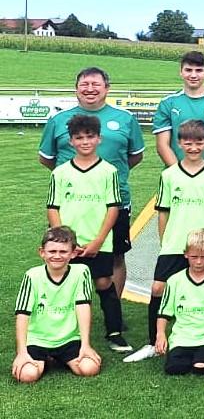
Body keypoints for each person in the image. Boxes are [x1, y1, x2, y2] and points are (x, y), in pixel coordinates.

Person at [39, 67, 144, 320]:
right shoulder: (58, 120)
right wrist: (78, 179)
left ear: (107, 88)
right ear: (76, 89)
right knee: (65, 254)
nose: (90, 89)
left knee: (115, 256)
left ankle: (113, 315)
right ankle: (65, 314)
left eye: (96, 84)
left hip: (115, 202)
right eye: (84, 84)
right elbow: (47, 158)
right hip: (71, 204)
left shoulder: (125, 119)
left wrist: (102, 179)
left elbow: (135, 156)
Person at [126, 120, 204, 363]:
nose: (193, 147)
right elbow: (163, 211)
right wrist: (165, 240)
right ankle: (152, 342)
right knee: (158, 288)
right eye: (187, 143)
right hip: (174, 243)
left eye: (199, 142)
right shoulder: (169, 175)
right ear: (179, 144)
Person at [46, 114, 127, 352]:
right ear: (71, 141)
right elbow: (53, 207)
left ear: (99, 139)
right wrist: (64, 241)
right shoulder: (60, 173)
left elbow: (113, 207)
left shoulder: (109, 171)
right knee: (64, 285)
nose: (85, 142)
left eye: (89, 137)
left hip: (98, 241)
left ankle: (114, 332)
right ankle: (62, 332)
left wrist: (98, 240)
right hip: (68, 244)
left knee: (103, 282)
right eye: (79, 138)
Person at [12, 226, 103, 383]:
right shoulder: (32, 276)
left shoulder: (81, 272)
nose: (57, 256)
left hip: (68, 339)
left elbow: (83, 307)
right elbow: (22, 314)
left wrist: (86, 345)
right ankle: (45, 360)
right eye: (52, 251)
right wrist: (21, 352)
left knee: (90, 368)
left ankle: (60, 358)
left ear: (73, 253)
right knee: (27, 375)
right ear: (42, 252)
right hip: (38, 340)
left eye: (63, 252)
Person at [154, 229, 204, 376]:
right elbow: (164, 313)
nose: (198, 261)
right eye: (194, 257)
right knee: (175, 369)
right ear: (185, 254)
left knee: (201, 368)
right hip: (182, 337)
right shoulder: (174, 280)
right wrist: (160, 335)